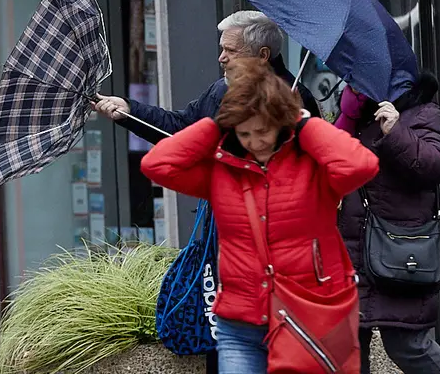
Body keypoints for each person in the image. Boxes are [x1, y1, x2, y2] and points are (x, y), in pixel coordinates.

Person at [140, 58, 379, 373]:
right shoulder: (221, 169)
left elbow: (362, 165)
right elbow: (157, 164)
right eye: (244, 133)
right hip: (240, 323)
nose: (255, 142)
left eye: (263, 131)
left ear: (280, 121)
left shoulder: (311, 164)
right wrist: (215, 126)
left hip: (305, 318)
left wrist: (305, 124)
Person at [335, 76, 440, 373]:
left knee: (407, 344)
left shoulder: (422, 112)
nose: (352, 83)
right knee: (347, 351)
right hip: (352, 250)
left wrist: (396, 132)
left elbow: (435, 165)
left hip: (398, 249)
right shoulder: (353, 116)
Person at [92, 10, 321, 143]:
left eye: (231, 51)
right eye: (222, 49)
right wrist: (129, 111)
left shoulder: (296, 100)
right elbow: (181, 128)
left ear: (263, 55)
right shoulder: (220, 90)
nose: (222, 58)